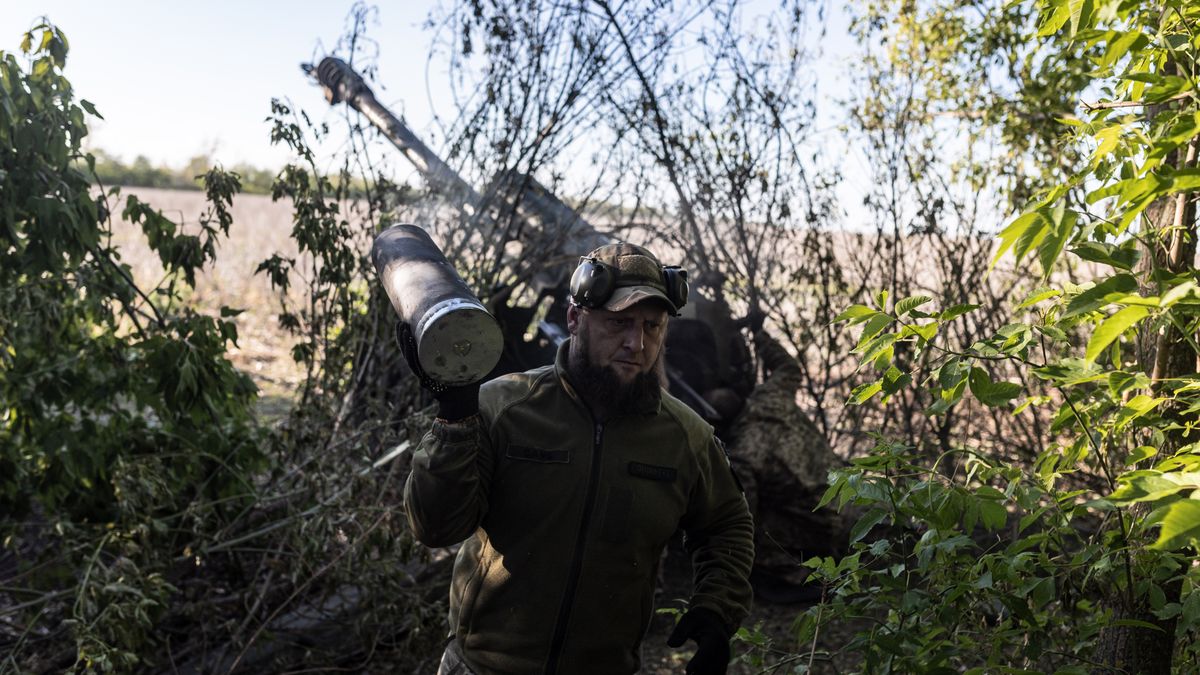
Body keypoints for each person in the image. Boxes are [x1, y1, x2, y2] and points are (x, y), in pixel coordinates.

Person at [401, 242, 754, 675]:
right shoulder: (503, 407)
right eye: (618, 323)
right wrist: (454, 421)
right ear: (575, 319)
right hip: (483, 666)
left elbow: (727, 524)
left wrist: (717, 610)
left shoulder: (685, 437)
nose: (637, 343)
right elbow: (434, 527)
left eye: (652, 326)